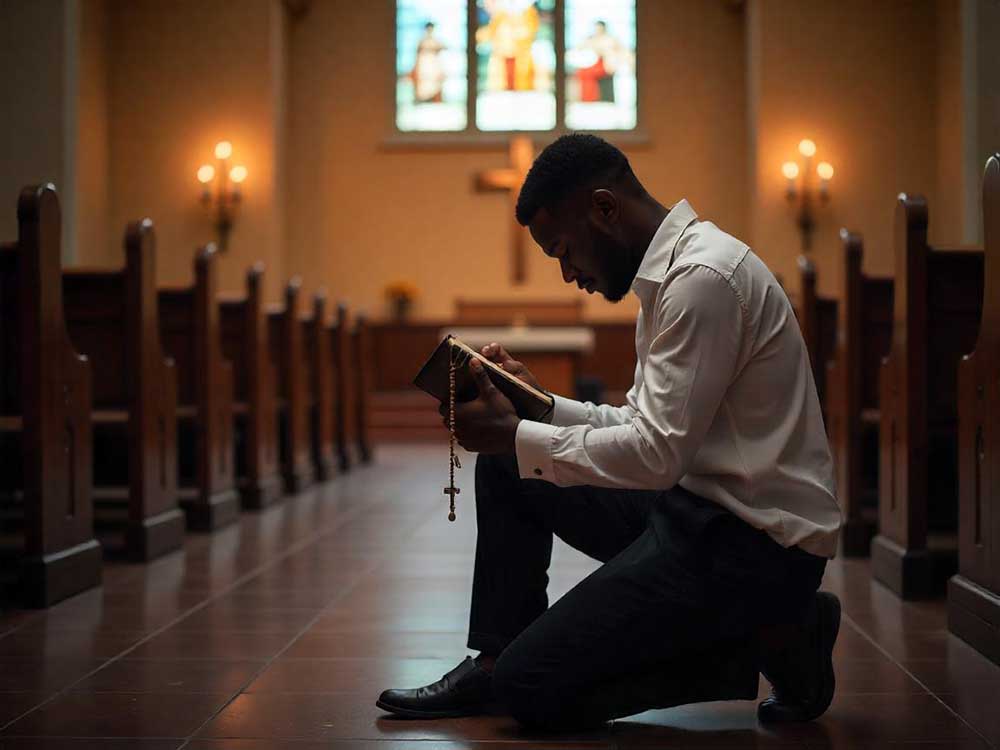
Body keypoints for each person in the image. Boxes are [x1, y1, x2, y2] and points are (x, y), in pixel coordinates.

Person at [377, 134, 843, 730]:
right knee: (509, 463)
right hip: (695, 512)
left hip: (753, 550)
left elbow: (655, 455)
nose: (569, 273)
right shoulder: (673, 276)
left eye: (565, 251)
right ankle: (496, 656)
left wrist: (515, 435)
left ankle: (777, 639)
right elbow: (642, 426)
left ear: (604, 208)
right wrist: (539, 408)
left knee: (534, 689)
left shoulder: (702, 280)